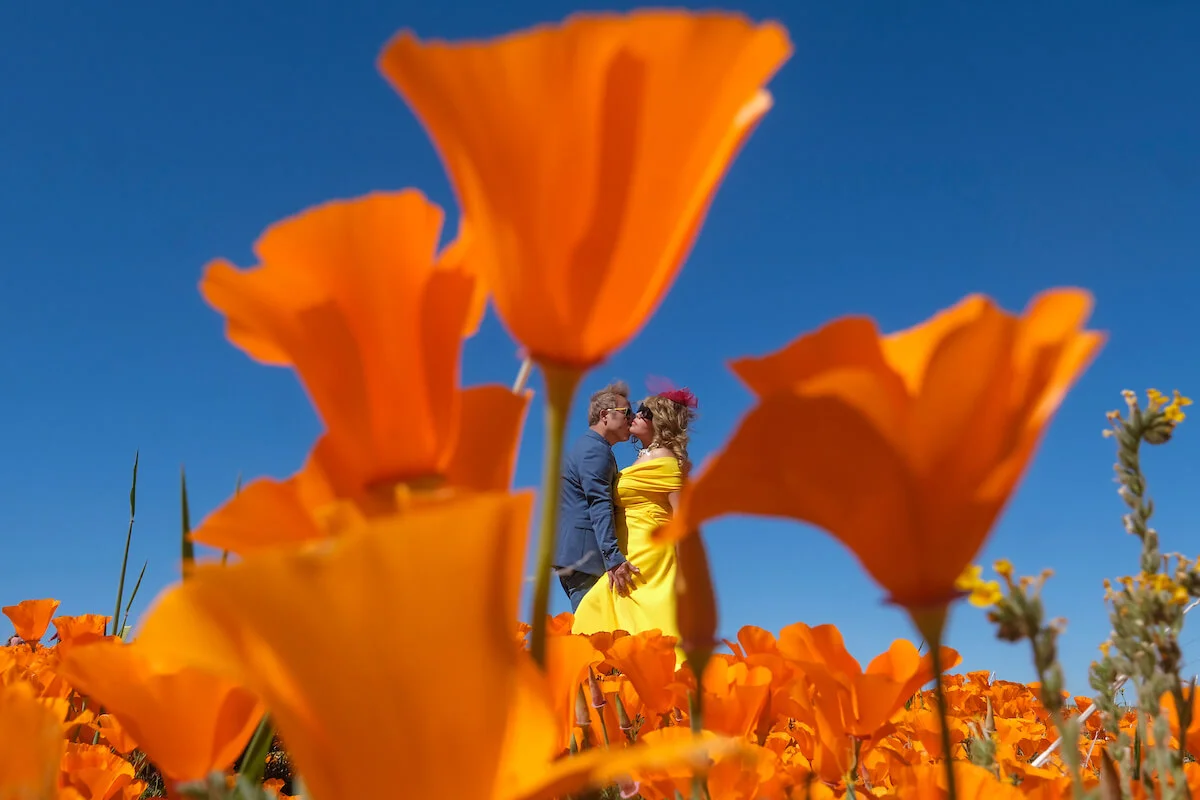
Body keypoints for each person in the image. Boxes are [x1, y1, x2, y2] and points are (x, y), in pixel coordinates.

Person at [571, 386, 699, 663]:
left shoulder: (666, 460)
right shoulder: (642, 458)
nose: (636, 415)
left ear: (661, 421)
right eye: (637, 411)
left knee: (650, 621)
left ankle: (662, 681)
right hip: (627, 551)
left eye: (645, 412)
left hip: (650, 557)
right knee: (600, 615)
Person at [554, 381, 642, 611]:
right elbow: (599, 503)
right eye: (627, 412)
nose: (632, 419)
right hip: (586, 559)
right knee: (594, 628)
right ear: (605, 415)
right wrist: (613, 558)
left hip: (577, 557)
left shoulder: (589, 446)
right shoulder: (595, 450)